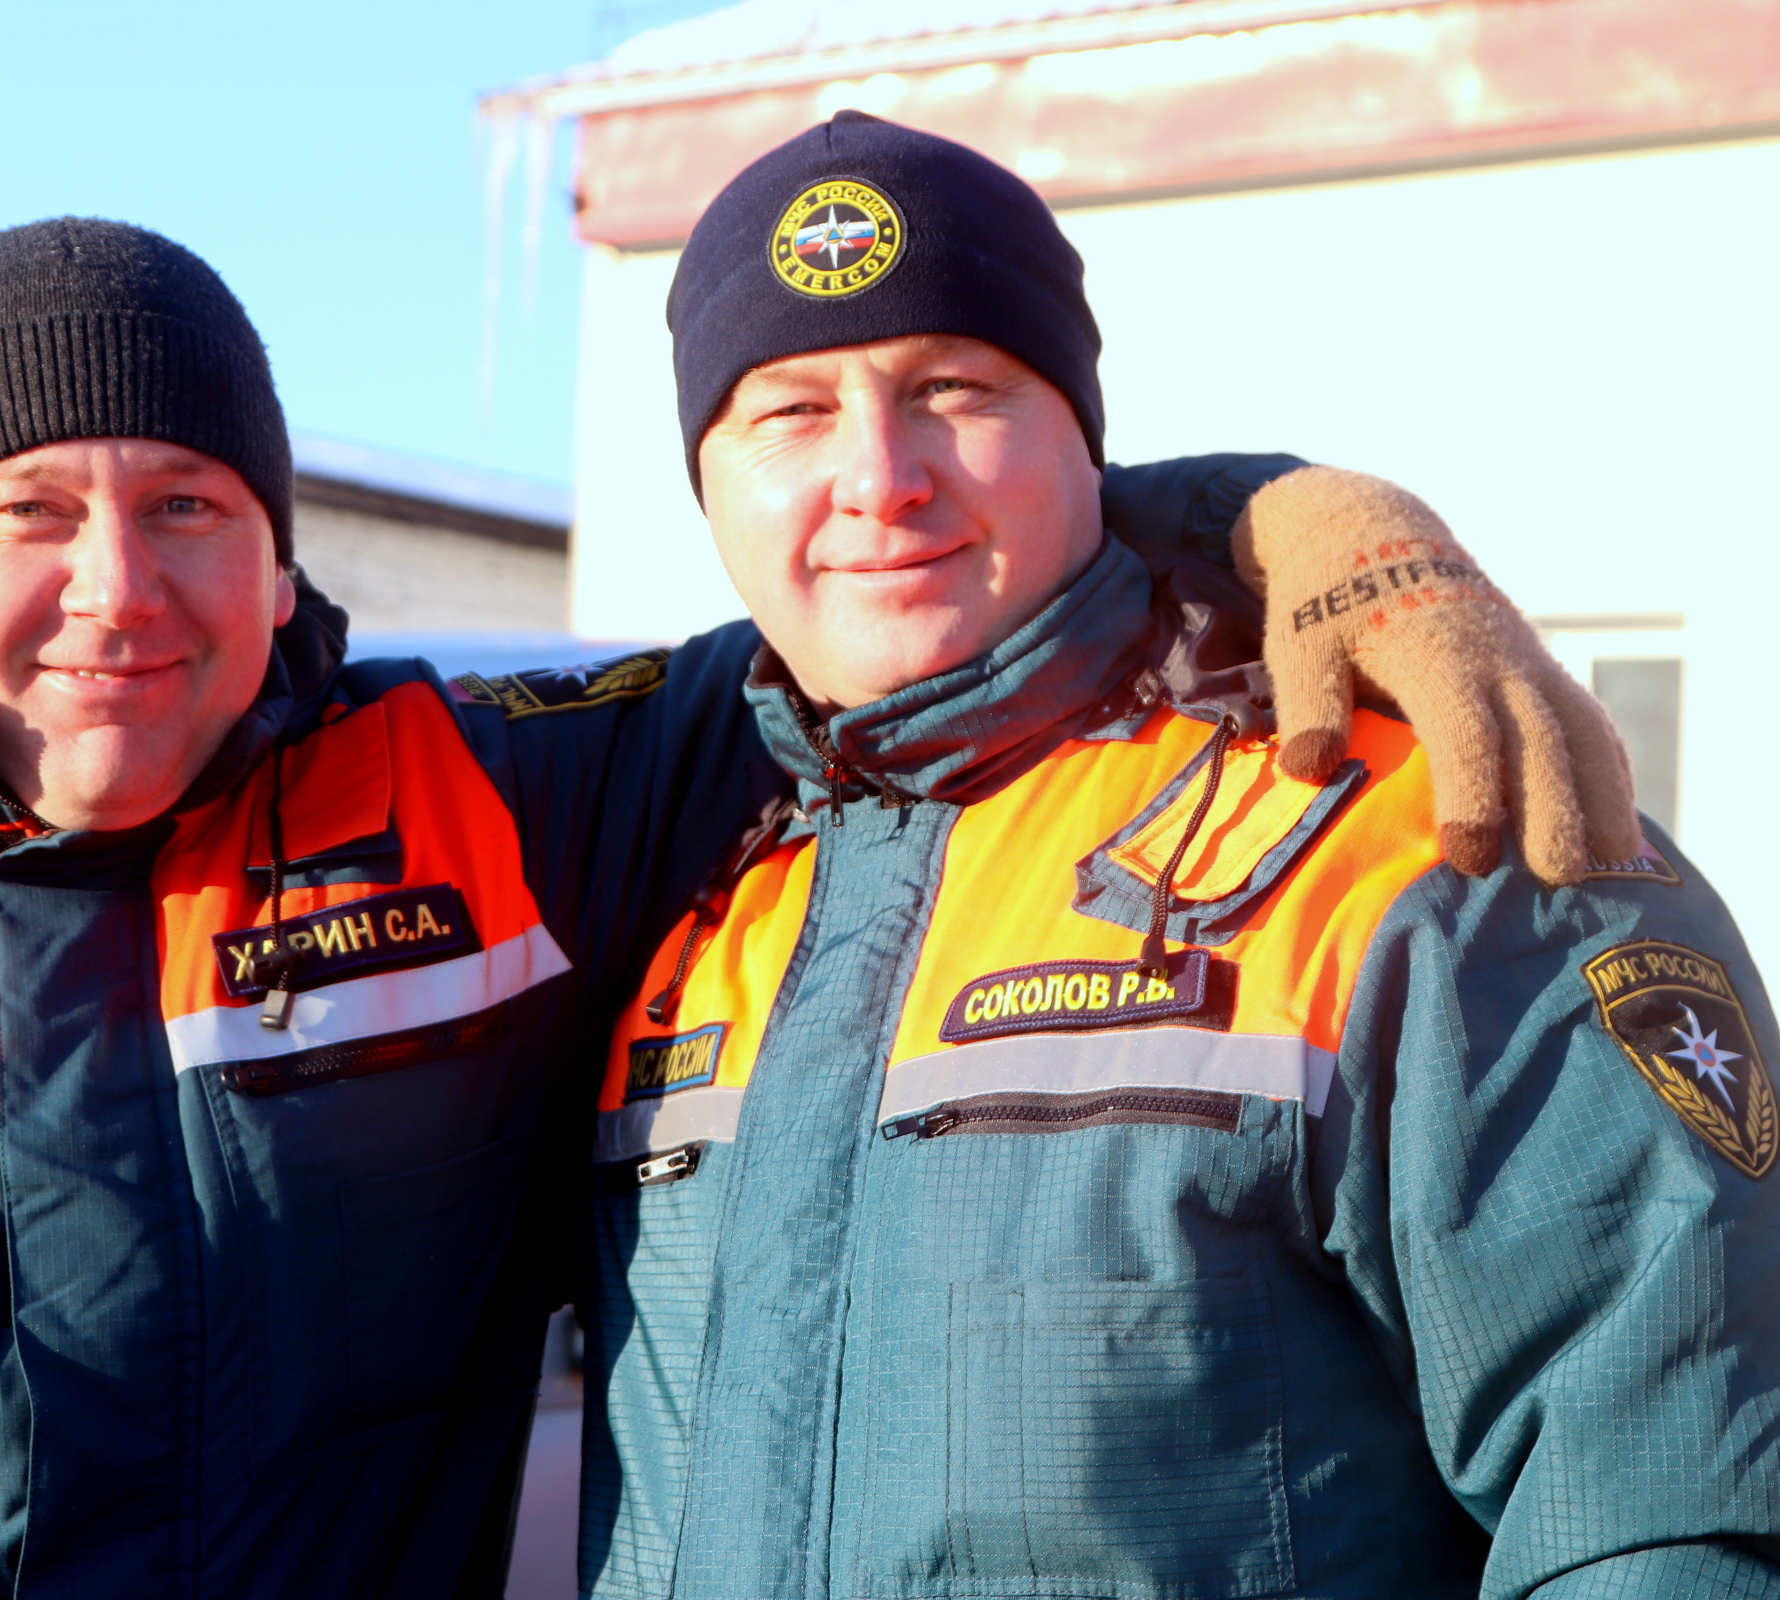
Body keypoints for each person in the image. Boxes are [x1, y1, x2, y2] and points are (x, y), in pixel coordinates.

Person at [0, 218, 1629, 1597]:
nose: (118, 587)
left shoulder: (495, 805)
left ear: (281, 558)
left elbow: (895, 586)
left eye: (190, 505)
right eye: (26, 511)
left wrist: (1294, 515)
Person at [578, 112, 1780, 1599]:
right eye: (792, 411)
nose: (880, 476)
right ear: (705, 477)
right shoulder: (652, 849)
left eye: (955, 388)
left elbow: (1669, 1506)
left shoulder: (1432, 837)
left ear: (1083, 435)